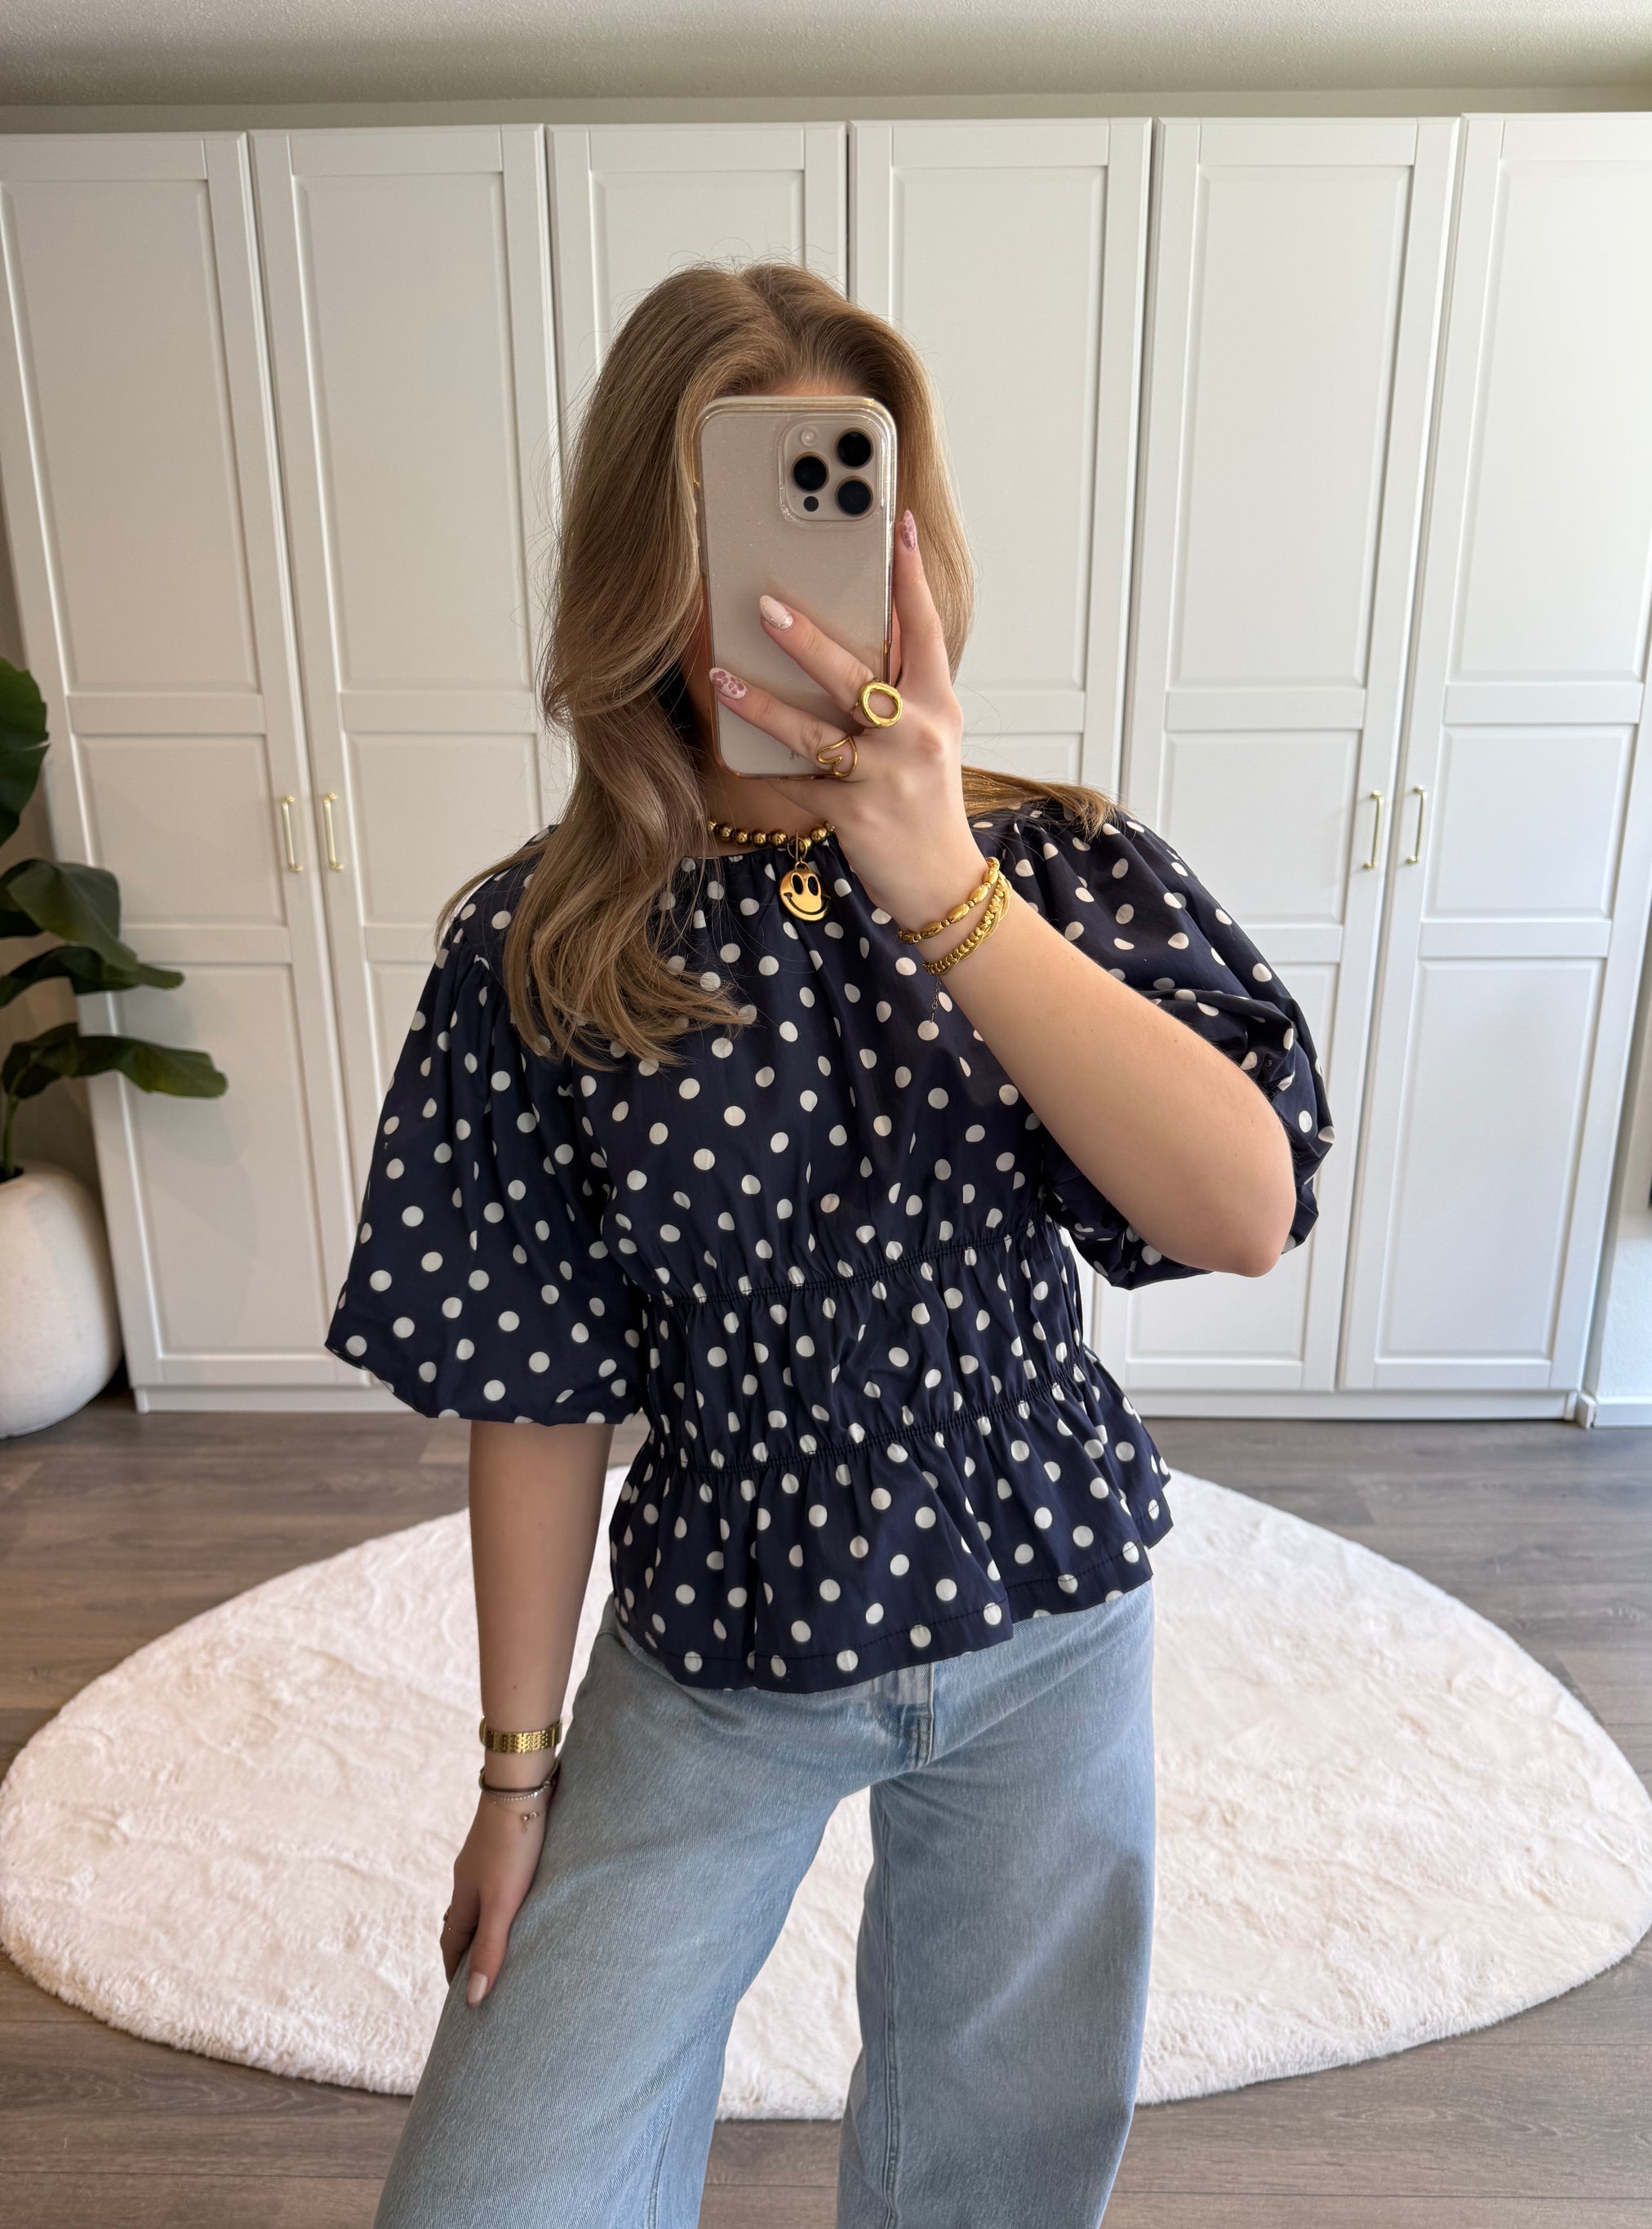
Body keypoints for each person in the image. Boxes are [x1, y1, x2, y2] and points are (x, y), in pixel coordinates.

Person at [325, 261, 1333, 2229]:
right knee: (492, 2195)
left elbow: (1240, 1206)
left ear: (908, 543)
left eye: (842, 509)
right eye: (730, 523)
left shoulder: (1043, 867)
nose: (785, 589)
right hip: (719, 1643)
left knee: (994, 2183)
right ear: (644, 565)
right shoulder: (544, 944)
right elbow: (535, 1387)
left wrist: (938, 877)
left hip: (1045, 1619)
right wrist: (515, 1775)